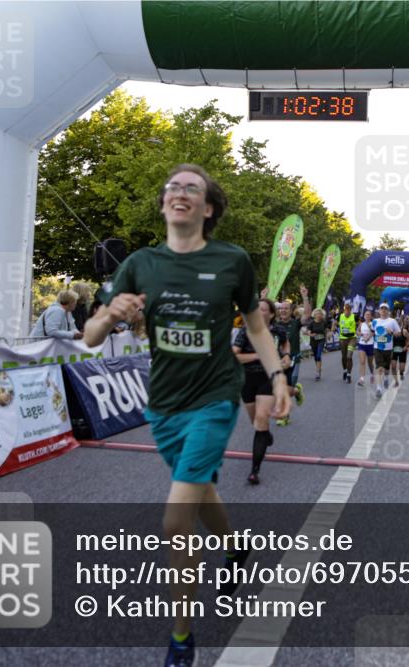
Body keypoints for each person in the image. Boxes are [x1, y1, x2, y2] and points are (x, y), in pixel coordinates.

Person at [84, 163, 289, 667]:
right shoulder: (140, 264)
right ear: (163, 204)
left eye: (191, 188)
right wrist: (110, 315)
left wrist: (279, 376)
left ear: (208, 207)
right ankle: (236, 548)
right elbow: (89, 336)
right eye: (172, 186)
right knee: (200, 494)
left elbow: (257, 328)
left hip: (215, 397)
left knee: (177, 516)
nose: (179, 192)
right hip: (164, 406)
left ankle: (181, 637)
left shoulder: (232, 260)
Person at [233, 298, 290, 484]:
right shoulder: (245, 331)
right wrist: (260, 354)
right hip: (247, 379)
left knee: (261, 418)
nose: (258, 311)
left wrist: (286, 355)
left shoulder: (278, 330)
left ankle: (254, 470)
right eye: (256, 308)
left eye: (263, 309)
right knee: (256, 422)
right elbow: (235, 356)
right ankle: (266, 434)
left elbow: (285, 343)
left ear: (271, 314)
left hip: (268, 377)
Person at [275, 287, 311, 426]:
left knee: (287, 387)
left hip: (294, 359)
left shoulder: (295, 323)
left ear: (291, 311)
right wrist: (263, 298)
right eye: (281, 308)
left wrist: (305, 297)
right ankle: (286, 413)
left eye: (286, 308)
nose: (283, 310)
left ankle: (294, 394)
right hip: (278, 361)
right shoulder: (275, 325)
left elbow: (307, 315)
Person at [371, 303, 402, 398]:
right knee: (380, 368)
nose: (383, 310)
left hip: (388, 349)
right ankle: (379, 388)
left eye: (385, 309)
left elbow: (399, 333)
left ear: (388, 311)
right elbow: (373, 332)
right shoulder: (375, 321)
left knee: (387, 369)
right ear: (379, 311)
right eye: (382, 309)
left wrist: (391, 332)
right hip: (377, 348)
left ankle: (386, 377)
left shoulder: (392, 321)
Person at [308, 308, 330, 381]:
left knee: (318, 355)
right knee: (315, 357)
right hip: (313, 341)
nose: (319, 315)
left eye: (320, 314)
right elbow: (308, 332)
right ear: (314, 315)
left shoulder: (324, 322)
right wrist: (311, 335)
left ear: (322, 315)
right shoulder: (311, 323)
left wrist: (328, 335)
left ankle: (317, 372)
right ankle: (318, 368)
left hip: (321, 340)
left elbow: (326, 330)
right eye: (317, 314)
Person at [338, 302, 358, 383]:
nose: (347, 311)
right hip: (342, 339)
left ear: (350, 310)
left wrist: (359, 330)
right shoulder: (340, 316)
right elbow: (335, 323)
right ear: (344, 310)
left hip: (352, 338)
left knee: (349, 356)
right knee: (344, 357)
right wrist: (331, 330)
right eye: (345, 309)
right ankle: (345, 370)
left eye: (348, 309)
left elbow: (360, 323)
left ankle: (349, 375)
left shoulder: (354, 316)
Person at [357, 308, 376, 387]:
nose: (367, 316)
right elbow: (357, 331)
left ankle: (372, 374)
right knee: (362, 361)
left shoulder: (372, 324)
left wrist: (368, 338)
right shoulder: (361, 324)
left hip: (370, 344)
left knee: (370, 363)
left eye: (369, 315)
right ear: (364, 316)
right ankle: (362, 379)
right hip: (362, 344)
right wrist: (361, 334)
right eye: (366, 315)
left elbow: (374, 332)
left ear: (371, 316)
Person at [391, 316, 409, 385]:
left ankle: (401, 373)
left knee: (402, 369)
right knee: (393, 367)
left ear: (401, 323)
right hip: (394, 351)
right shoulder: (392, 332)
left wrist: (406, 346)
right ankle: (396, 381)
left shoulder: (404, 331)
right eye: (396, 322)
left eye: (398, 322)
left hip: (402, 351)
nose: (397, 323)